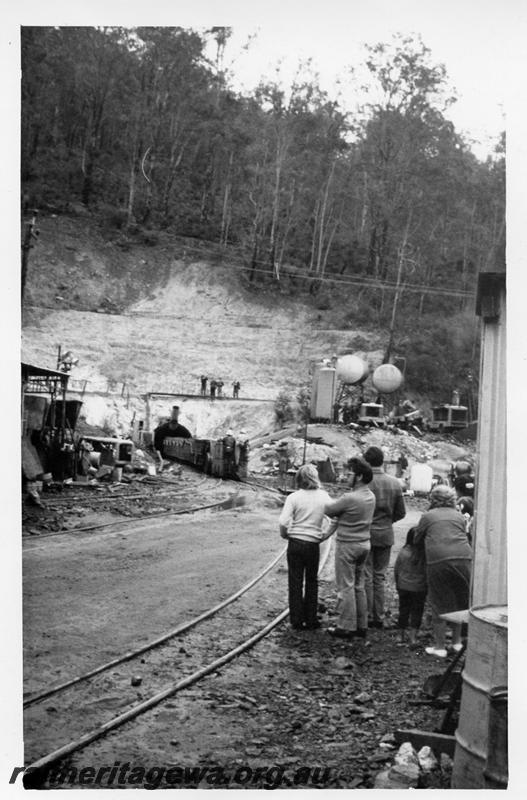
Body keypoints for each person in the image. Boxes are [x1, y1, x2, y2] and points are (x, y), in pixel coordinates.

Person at [413, 485, 472, 658]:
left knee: (439, 600)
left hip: (439, 559)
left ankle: (439, 647)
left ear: (433, 499)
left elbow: (417, 538)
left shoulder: (428, 516)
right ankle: (456, 643)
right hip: (464, 557)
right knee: (460, 600)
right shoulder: (459, 516)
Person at [324, 457, 376, 639]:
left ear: (359, 476)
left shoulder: (350, 497)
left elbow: (329, 510)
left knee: (345, 586)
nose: (346, 476)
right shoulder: (370, 496)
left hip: (348, 545)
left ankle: (345, 626)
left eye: (350, 473)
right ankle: (361, 625)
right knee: (359, 585)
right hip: (364, 544)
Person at [278, 464, 332, 631]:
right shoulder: (324, 496)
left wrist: (285, 534)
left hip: (295, 543)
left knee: (295, 581)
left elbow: (283, 521)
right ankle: (311, 619)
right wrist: (326, 534)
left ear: (299, 479)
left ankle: (296, 620)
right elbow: (336, 517)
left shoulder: (294, 497)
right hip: (312, 545)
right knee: (311, 581)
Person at [363, 446, 406, 629]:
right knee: (379, 576)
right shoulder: (395, 483)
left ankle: (366, 615)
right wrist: (387, 521)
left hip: (365, 534)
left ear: (366, 461)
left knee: (366, 575)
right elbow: (401, 512)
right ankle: (378, 616)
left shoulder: (364, 482)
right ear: (383, 461)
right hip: (385, 535)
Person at [393, 527, 427, 646]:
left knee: (403, 610)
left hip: (404, 586)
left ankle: (400, 634)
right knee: (417, 611)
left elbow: (397, 569)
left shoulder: (403, 552)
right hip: (420, 587)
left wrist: (397, 583)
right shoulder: (425, 554)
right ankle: (413, 636)